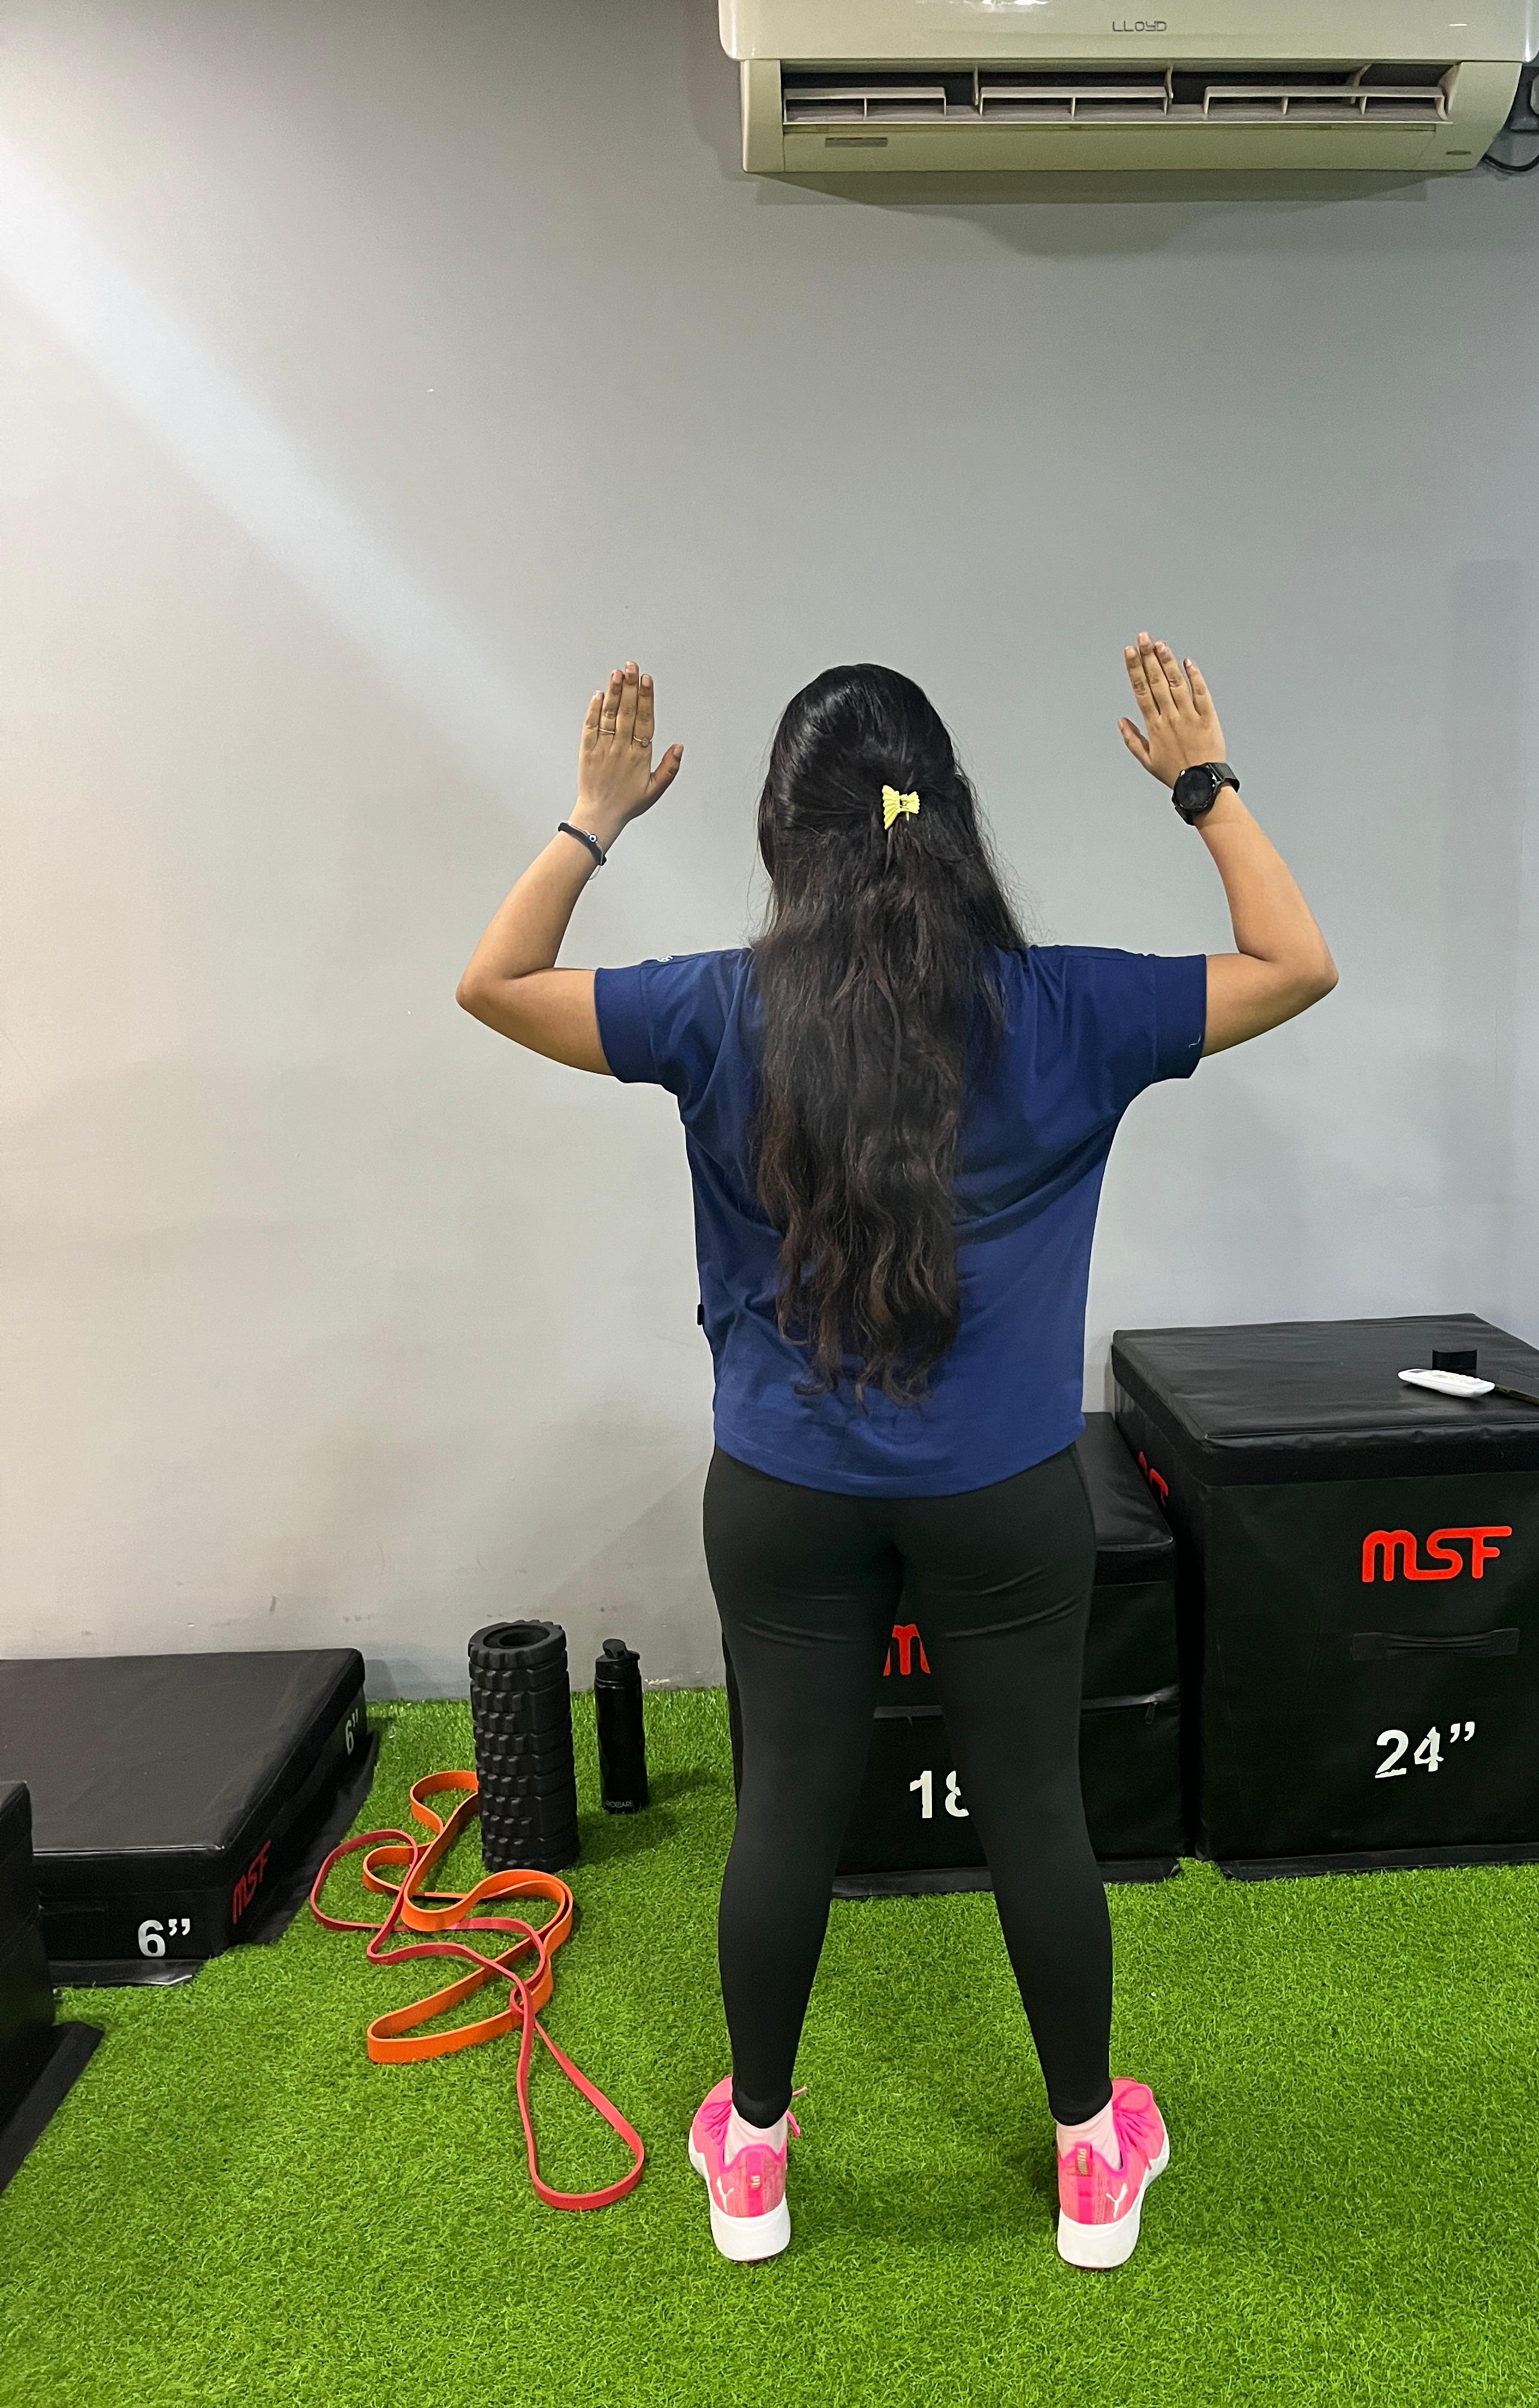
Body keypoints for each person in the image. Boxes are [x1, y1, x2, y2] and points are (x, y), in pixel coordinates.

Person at [456, 635, 1336, 2268]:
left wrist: (593, 819)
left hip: (782, 1498)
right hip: (1002, 1501)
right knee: (1035, 1810)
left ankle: (753, 2161)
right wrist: (1204, 786)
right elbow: (1297, 963)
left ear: (784, 838)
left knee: (786, 1805)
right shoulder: (1065, 1006)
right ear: (949, 818)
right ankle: (1092, 2162)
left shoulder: (720, 1008)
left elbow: (493, 984)